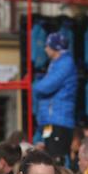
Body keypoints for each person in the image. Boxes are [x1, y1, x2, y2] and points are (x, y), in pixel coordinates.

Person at [32, 32, 77, 163]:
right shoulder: (57, 64)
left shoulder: (65, 63)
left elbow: (45, 86)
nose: (45, 49)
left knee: (57, 158)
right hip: (51, 119)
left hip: (59, 119)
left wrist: (36, 86)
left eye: (48, 45)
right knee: (49, 157)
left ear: (55, 47)